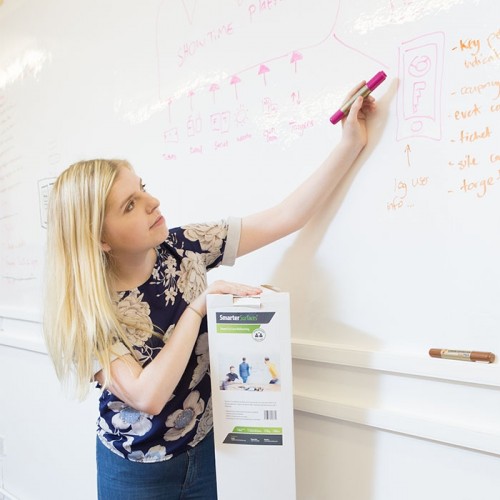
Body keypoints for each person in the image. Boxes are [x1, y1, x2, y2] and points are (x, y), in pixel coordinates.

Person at [43, 87, 375, 499]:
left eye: (143, 187)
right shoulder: (87, 307)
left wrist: (350, 143)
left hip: (208, 451)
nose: (152, 201)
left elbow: (287, 216)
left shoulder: (187, 247)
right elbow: (148, 396)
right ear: (99, 239)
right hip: (136, 471)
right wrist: (197, 308)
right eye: (130, 205)